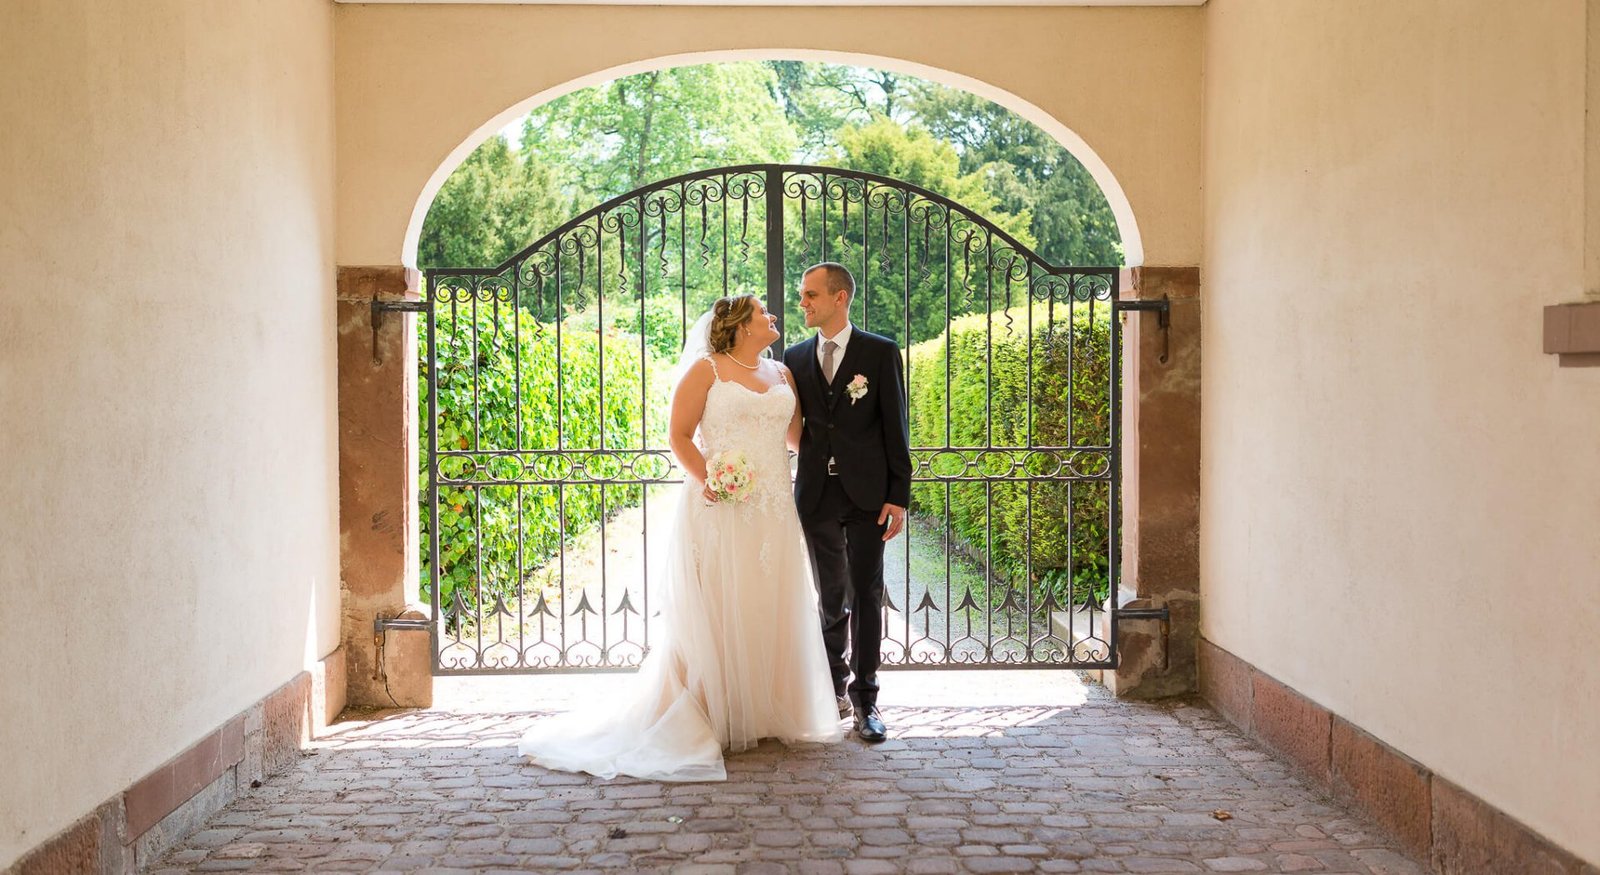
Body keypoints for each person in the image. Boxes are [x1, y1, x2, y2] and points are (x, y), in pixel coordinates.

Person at [516, 294, 842, 782]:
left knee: (769, 600)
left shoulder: (783, 374)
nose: (773, 317)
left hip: (773, 507)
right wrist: (711, 477)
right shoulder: (706, 371)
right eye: (763, 313)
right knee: (721, 602)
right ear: (739, 325)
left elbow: (798, 439)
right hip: (721, 506)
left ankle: (765, 709)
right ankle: (713, 708)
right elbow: (679, 435)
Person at [782, 263, 912, 744]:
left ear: (840, 298)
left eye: (810, 294)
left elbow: (896, 428)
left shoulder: (878, 353)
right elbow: (793, 428)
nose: (803, 303)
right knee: (829, 597)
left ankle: (867, 700)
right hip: (815, 494)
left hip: (867, 496)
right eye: (802, 295)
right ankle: (831, 689)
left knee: (866, 593)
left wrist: (898, 497)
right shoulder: (793, 359)